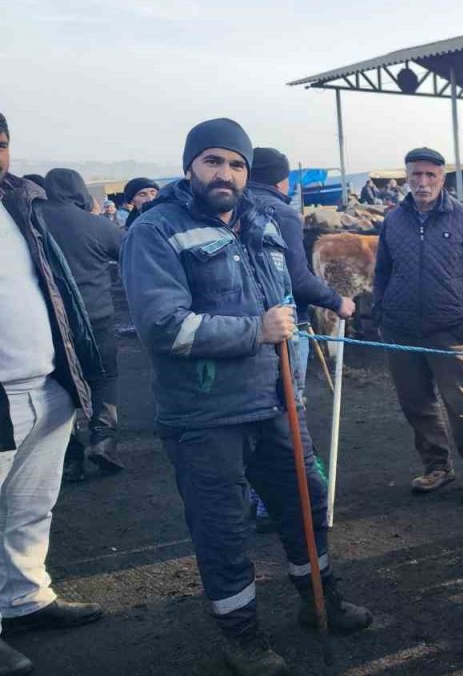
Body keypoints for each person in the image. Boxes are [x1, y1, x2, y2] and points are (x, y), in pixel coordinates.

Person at [121, 118, 371, 675]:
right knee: (223, 528)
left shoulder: (262, 223)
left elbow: (284, 295)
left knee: (306, 503)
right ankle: (242, 636)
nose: (225, 173)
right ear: (190, 166)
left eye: (236, 164)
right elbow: (162, 327)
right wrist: (255, 330)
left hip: (275, 401)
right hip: (204, 413)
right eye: (213, 161)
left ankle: (320, 600)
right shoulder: (155, 231)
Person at [0, 112, 104, 676]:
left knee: (31, 505)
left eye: (1, 144)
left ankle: (24, 599)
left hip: (47, 381)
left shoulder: (20, 206)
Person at [373, 147, 463, 501]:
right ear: (407, 177)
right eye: (416, 174)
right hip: (401, 330)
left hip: (450, 328)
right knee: (416, 403)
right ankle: (436, 466)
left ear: (442, 178)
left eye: (430, 175)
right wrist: (381, 311)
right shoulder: (394, 220)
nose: (423, 182)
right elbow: (382, 271)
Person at [244, 147, 356, 531]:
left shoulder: (226, 208)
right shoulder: (280, 212)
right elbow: (297, 278)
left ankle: (256, 494)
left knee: (252, 411)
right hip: (284, 325)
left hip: (242, 329)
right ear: (283, 180)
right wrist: (338, 301)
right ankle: (280, 503)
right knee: (286, 409)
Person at [38, 168, 126, 482]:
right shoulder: (97, 225)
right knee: (103, 378)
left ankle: (69, 459)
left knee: (58, 386)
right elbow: (131, 254)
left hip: (49, 322)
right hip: (96, 317)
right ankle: (103, 441)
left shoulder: (32, 223)